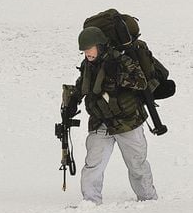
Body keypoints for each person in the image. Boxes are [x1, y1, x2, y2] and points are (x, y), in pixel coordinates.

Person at [62, 27, 157, 203]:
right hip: (101, 122)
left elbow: (141, 82)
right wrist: (72, 101)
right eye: (84, 50)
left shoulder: (120, 61)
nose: (86, 53)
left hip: (127, 123)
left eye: (89, 49)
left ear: (100, 46)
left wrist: (119, 74)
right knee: (93, 164)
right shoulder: (88, 65)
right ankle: (91, 201)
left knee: (137, 165)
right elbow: (83, 85)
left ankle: (148, 200)